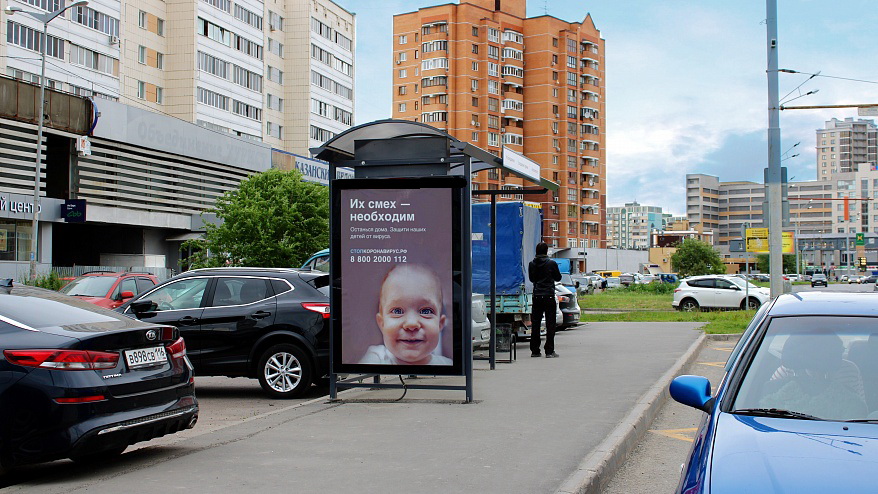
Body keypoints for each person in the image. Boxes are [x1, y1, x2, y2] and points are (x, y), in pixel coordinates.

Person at [359, 263, 452, 365]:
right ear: (382, 324)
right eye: (397, 311)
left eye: (426, 311)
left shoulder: (447, 364)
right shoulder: (376, 358)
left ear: (440, 324)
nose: (411, 324)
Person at [528, 242, 562, 358]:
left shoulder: (532, 264)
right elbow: (558, 277)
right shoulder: (551, 263)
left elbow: (531, 279)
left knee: (536, 323)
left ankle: (535, 350)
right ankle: (549, 351)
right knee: (550, 323)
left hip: (537, 295)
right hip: (549, 295)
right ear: (546, 251)